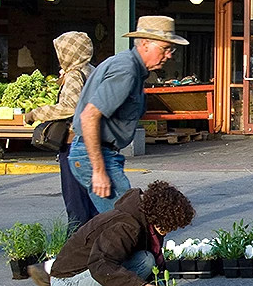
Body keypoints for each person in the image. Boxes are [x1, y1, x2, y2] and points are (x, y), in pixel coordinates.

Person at [28, 180, 194, 286]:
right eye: (170, 226)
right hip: (68, 284)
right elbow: (101, 266)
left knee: (150, 278)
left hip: (84, 278)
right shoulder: (126, 226)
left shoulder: (144, 219)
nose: (170, 231)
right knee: (143, 263)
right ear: (161, 217)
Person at [70, 16, 188, 213]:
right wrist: (99, 170)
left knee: (106, 222)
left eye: (172, 50)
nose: (169, 55)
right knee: (128, 218)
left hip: (99, 153)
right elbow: (89, 116)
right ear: (145, 44)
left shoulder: (133, 69)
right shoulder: (126, 70)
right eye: (165, 48)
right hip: (96, 154)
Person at [25, 31, 98, 233]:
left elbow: (69, 107)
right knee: (91, 200)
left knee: (76, 202)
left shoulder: (75, 75)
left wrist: (36, 113)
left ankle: (75, 244)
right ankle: (94, 241)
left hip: (74, 142)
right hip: (92, 140)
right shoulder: (92, 70)